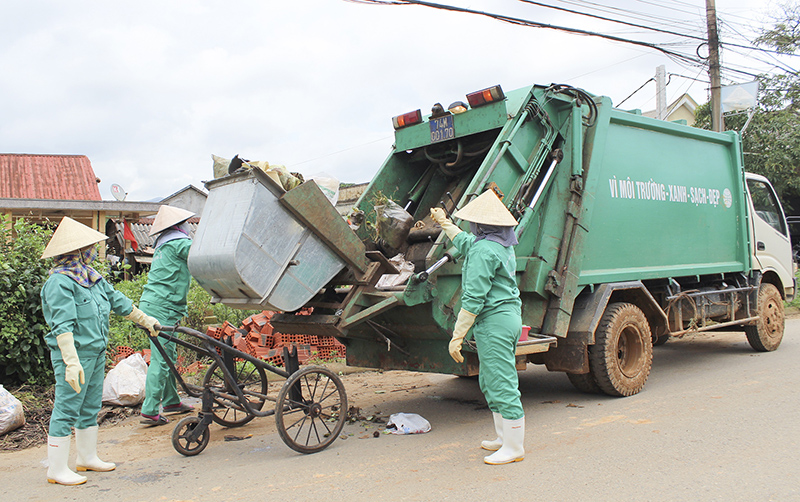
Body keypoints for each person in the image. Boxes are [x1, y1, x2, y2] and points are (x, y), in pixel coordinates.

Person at [40, 217, 159, 485]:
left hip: (95, 353)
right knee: (67, 407)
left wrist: (146, 320)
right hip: (75, 356)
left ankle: (86, 458)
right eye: (91, 247)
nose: (95, 251)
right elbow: (63, 325)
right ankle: (56, 470)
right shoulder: (60, 283)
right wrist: (71, 362)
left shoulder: (92, 277)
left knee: (91, 405)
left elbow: (118, 301)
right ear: (78, 251)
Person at [430, 189, 525, 465]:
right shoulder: (497, 245)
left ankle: (514, 447)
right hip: (502, 319)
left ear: (483, 224)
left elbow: (472, 299)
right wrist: (444, 222)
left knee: (502, 382)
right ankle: (502, 437)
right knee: (490, 380)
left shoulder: (485, 250)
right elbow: (465, 241)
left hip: (494, 321)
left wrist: (456, 337)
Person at [138, 206, 196, 426]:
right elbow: (203, 256)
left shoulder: (163, 244)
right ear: (178, 226)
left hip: (152, 305)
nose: (188, 226)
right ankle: (150, 409)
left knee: (166, 355)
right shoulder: (180, 243)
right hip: (163, 308)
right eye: (185, 223)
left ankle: (171, 401)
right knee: (162, 360)